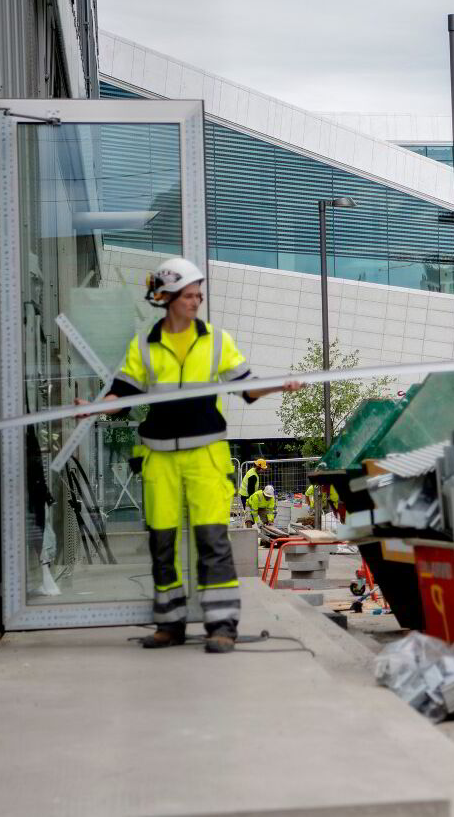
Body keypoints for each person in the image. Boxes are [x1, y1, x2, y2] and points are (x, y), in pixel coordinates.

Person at [90, 256, 299, 654]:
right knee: (162, 545)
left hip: (205, 458)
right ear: (166, 297)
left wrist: (277, 388)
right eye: (188, 295)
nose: (196, 301)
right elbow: (121, 395)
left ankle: (222, 627)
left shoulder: (217, 341)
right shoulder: (146, 346)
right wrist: (97, 406)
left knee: (213, 543)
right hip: (160, 461)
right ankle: (169, 625)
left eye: (198, 295)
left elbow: (248, 388)